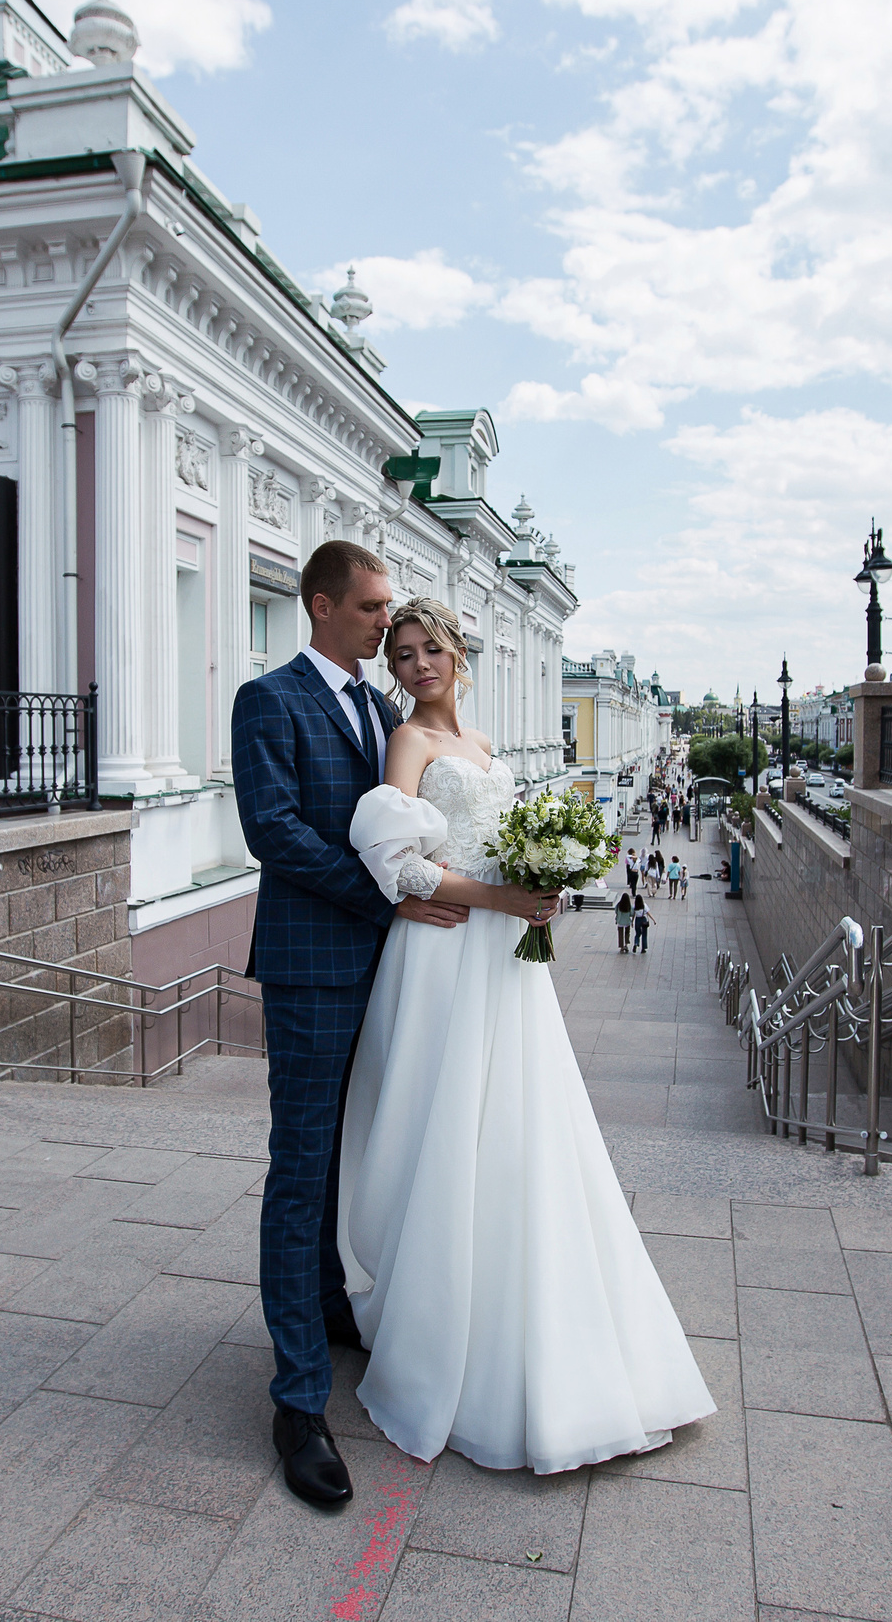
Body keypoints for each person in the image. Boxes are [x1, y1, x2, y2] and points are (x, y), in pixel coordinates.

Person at [339, 598, 714, 1472]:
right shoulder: (409, 743)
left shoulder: (483, 747)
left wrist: (538, 887)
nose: (417, 664)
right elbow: (398, 862)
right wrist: (502, 896)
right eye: (403, 653)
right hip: (443, 953)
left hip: (505, 957)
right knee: (444, 1117)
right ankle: (442, 1318)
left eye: (431, 649)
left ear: (458, 655)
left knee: (520, 1123)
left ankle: (526, 1306)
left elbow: (495, 843)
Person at [232, 542, 467, 1509]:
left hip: (394, 968)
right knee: (301, 1169)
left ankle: (329, 1304)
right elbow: (276, 831)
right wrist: (389, 899)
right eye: (372, 609)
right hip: (315, 968)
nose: (386, 623)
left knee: (357, 1152)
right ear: (323, 605)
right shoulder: (269, 700)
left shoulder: (382, 709)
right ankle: (297, 1401)